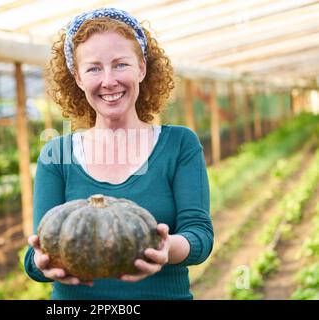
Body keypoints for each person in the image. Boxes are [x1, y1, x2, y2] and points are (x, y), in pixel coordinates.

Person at [24, 7, 214, 300]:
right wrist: (40, 262)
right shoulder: (56, 154)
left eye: (120, 64)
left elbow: (199, 236)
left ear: (142, 67)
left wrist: (166, 249)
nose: (109, 80)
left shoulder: (179, 144)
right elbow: (38, 252)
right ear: (77, 77)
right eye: (94, 68)